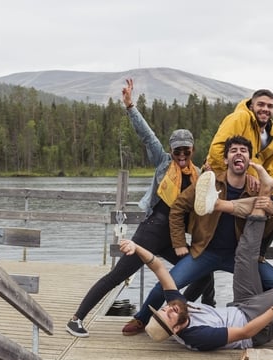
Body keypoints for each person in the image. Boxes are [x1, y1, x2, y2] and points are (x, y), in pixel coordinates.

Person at [116, 170, 273, 351]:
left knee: (245, 254)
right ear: (177, 329)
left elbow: (158, 268)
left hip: (241, 306)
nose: (169, 307)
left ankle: (265, 190)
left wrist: (136, 247)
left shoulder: (178, 308)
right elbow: (245, 332)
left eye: (165, 308)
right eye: (168, 314)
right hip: (256, 327)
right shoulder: (198, 337)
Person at [66, 78, 212, 338]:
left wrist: (213, 178)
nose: (181, 156)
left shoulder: (199, 173)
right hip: (152, 230)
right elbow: (147, 135)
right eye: (177, 151)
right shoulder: (162, 162)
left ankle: (177, 315)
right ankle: (76, 319)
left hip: (174, 237)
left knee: (203, 274)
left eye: (185, 152)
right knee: (118, 275)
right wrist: (130, 105)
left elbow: (207, 202)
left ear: (192, 150)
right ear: (170, 149)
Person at [120, 136, 273, 336]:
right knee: (166, 284)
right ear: (226, 160)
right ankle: (142, 318)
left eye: (243, 150)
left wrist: (259, 252)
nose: (239, 153)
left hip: (239, 257)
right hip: (204, 252)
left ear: (249, 159)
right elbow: (178, 208)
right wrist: (179, 242)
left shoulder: (256, 188)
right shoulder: (208, 183)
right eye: (233, 150)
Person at [204, 89, 273, 259]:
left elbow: (271, 169)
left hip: (251, 187)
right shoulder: (239, 118)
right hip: (225, 181)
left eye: (270, 106)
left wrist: (269, 195)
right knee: (214, 233)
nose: (265, 109)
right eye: (261, 104)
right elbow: (217, 149)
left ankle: (256, 254)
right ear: (252, 105)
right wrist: (242, 174)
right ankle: (245, 254)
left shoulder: (271, 134)